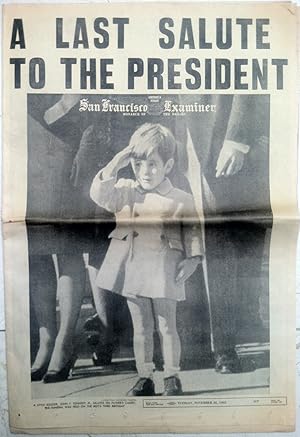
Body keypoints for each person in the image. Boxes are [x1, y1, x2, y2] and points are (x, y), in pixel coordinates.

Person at [90, 123, 204, 396]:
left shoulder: (181, 198)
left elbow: (193, 233)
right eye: (138, 164)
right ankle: (145, 377)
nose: (145, 172)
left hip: (166, 270)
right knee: (141, 328)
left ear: (168, 165)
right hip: (132, 270)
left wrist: (193, 260)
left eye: (152, 164)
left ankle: (172, 376)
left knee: (167, 326)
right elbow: (98, 194)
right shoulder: (124, 190)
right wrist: (115, 164)